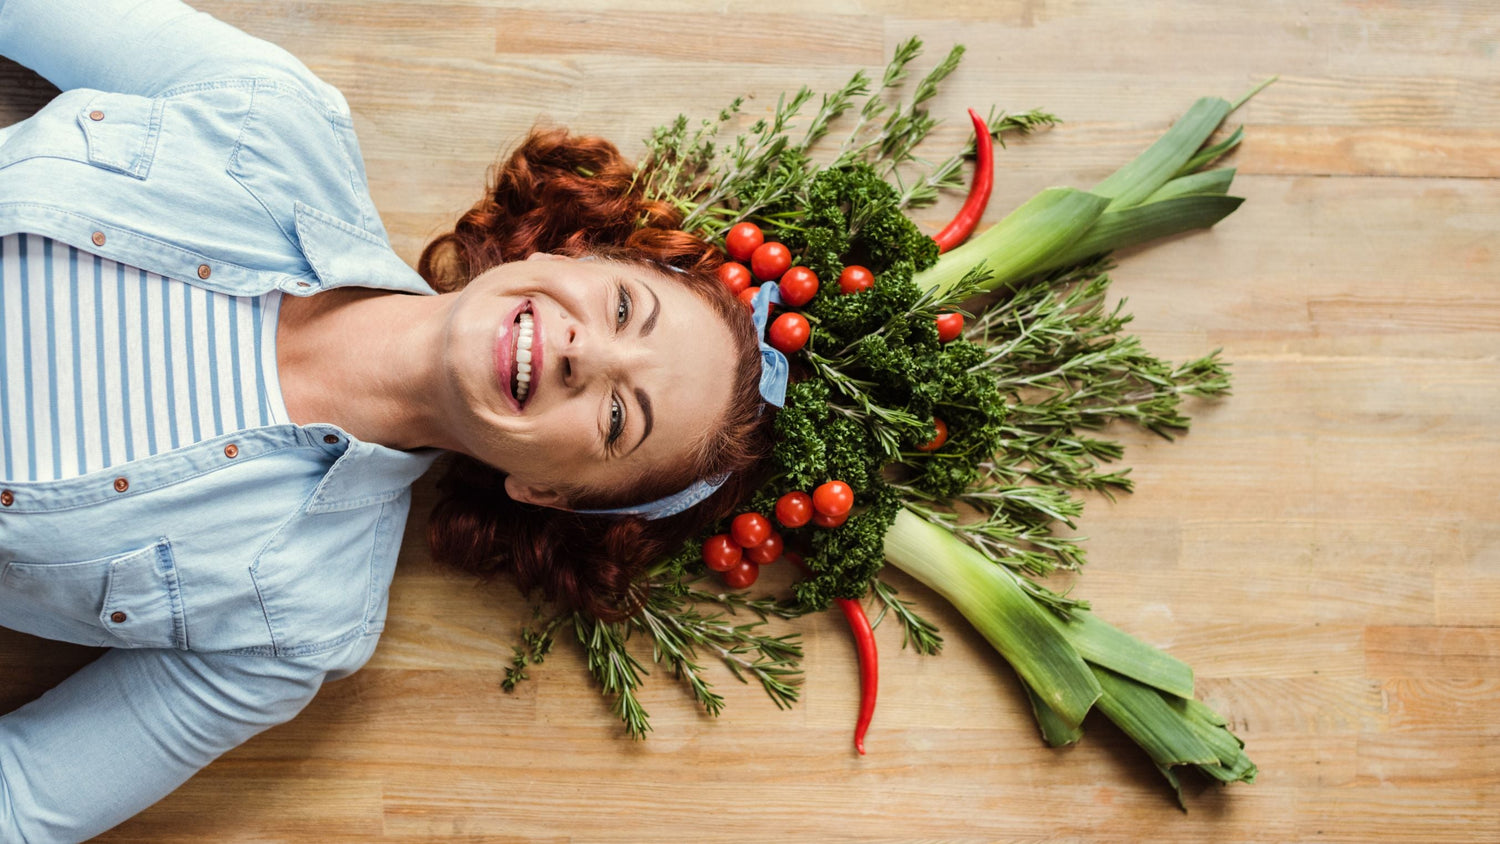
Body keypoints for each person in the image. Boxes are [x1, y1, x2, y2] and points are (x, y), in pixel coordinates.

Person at [0, 1, 774, 840]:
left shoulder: (297, 626)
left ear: (547, 490)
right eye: (625, 307)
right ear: (568, 255)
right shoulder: (275, 119)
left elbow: (26, 799)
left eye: (620, 416)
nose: (586, 353)